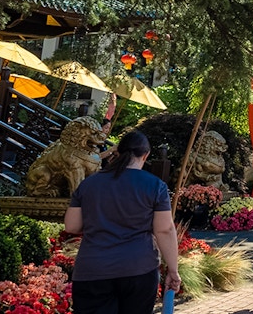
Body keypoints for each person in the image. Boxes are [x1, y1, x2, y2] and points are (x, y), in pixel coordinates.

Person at [65, 130, 181, 314]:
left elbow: (72, 226)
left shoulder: (89, 183)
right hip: (139, 269)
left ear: (117, 152)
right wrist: (173, 271)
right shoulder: (155, 186)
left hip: (92, 270)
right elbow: (165, 230)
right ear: (146, 155)